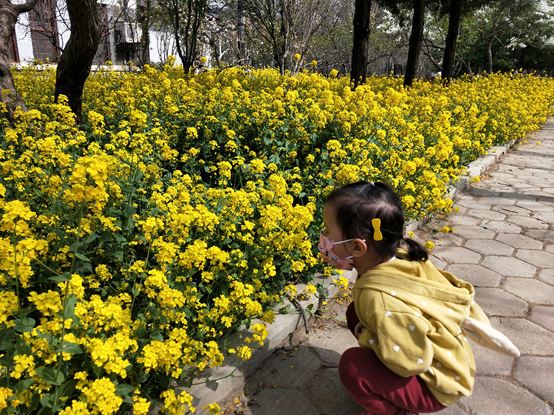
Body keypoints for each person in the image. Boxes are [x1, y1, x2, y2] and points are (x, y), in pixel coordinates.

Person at [318, 181, 518, 415]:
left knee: (352, 367)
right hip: (442, 361)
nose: (323, 238)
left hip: (435, 387)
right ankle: (387, 374)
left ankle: (400, 411)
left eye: (327, 231)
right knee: (355, 312)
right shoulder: (403, 259)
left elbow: (411, 363)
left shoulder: (380, 299)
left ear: (357, 247)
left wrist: (369, 337)